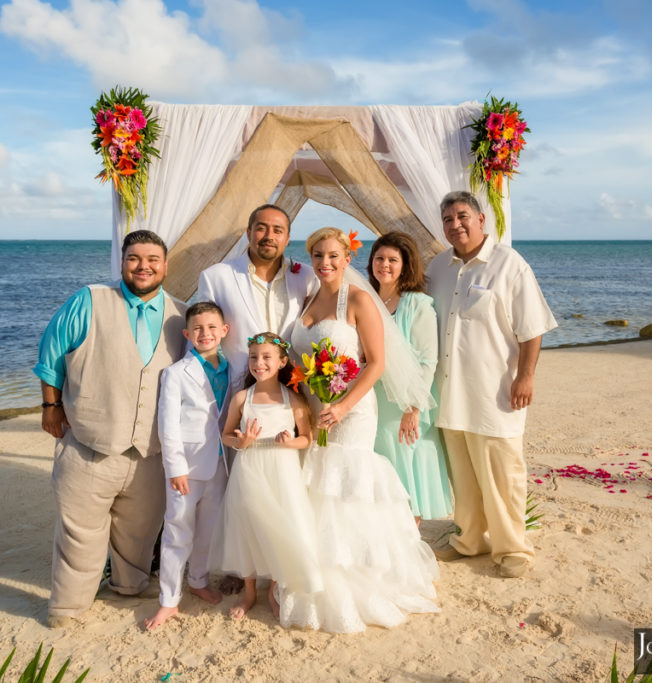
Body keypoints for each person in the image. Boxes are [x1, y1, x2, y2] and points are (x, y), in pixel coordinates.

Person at [285, 227, 439, 633]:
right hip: (316, 409)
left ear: (347, 257)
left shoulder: (358, 299)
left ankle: (355, 578)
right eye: (318, 255)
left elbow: (376, 362)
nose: (325, 263)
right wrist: (306, 397)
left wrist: (343, 406)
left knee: (346, 486)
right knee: (317, 484)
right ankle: (314, 569)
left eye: (333, 255)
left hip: (351, 412)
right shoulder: (306, 298)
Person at [33, 229, 187, 628]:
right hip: (89, 443)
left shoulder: (183, 315)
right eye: (134, 258)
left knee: (138, 532)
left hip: (149, 452)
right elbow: (51, 354)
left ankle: (129, 586)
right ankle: (66, 607)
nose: (143, 266)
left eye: (152, 259)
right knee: (80, 535)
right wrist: (51, 406)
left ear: (165, 265)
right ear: (122, 262)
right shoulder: (89, 300)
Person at [426, 191, 557, 578]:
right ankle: (469, 540)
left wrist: (526, 376)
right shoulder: (438, 266)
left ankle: (513, 548)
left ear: (482, 220)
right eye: (448, 219)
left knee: (503, 473)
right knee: (463, 477)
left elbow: (531, 328)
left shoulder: (509, 265)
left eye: (463, 216)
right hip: (448, 394)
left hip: (494, 392)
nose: (455, 225)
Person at [210, 332, 321, 623]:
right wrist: (241, 442)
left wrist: (289, 442)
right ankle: (249, 593)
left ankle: (272, 589)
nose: (259, 363)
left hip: (281, 472)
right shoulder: (241, 398)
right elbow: (225, 435)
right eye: (253, 357)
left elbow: (307, 438)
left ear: (282, 361)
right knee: (247, 527)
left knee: (277, 528)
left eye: (266, 357)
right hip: (248, 469)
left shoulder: (293, 400)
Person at [143, 302, 231, 631]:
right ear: (187, 334)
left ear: (224, 331)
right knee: (178, 532)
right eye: (197, 329)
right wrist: (175, 468)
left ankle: (198, 579)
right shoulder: (176, 374)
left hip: (220, 462)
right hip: (186, 469)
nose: (205, 334)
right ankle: (168, 600)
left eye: (211, 328)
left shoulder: (232, 368)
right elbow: (168, 426)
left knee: (208, 530)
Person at [366, 231, 453, 523]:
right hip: (372, 399)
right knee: (381, 469)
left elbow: (428, 361)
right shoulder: (366, 301)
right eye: (379, 258)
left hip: (404, 403)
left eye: (393, 259)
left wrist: (414, 408)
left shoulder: (418, 304)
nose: (385, 265)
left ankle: (410, 542)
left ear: (405, 265)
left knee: (405, 470)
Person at [195, 204, 317, 392]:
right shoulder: (215, 277)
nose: (269, 236)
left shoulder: (307, 277)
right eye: (261, 228)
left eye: (278, 230)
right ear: (248, 233)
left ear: (287, 239)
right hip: (240, 392)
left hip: (297, 391)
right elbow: (202, 342)